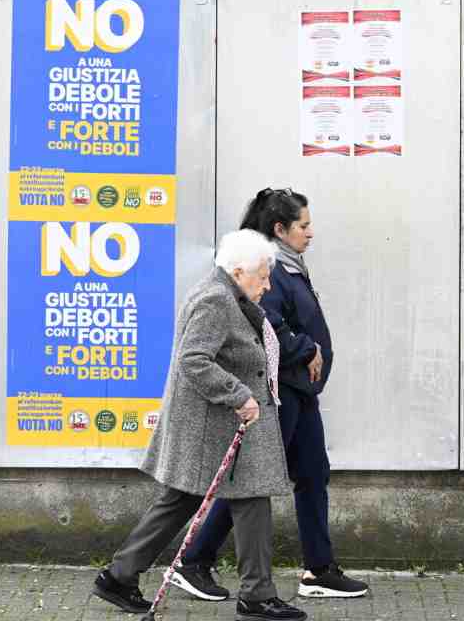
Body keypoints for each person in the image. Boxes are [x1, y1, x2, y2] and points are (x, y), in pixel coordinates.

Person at [92, 229, 308, 621]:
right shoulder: (216, 300)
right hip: (215, 425)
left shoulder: (226, 294)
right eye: (262, 276)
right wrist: (238, 394)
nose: (267, 284)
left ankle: (120, 576)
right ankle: (256, 596)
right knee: (240, 498)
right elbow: (193, 359)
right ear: (239, 271)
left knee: (190, 500)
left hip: (214, 426)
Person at [170, 188, 369, 600]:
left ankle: (318, 569)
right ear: (280, 229)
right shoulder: (273, 269)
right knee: (253, 483)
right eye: (304, 225)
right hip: (282, 391)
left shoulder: (291, 266)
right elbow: (266, 325)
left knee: (312, 473)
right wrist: (307, 348)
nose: (311, 233)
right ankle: (194, 560)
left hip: (300, 390)